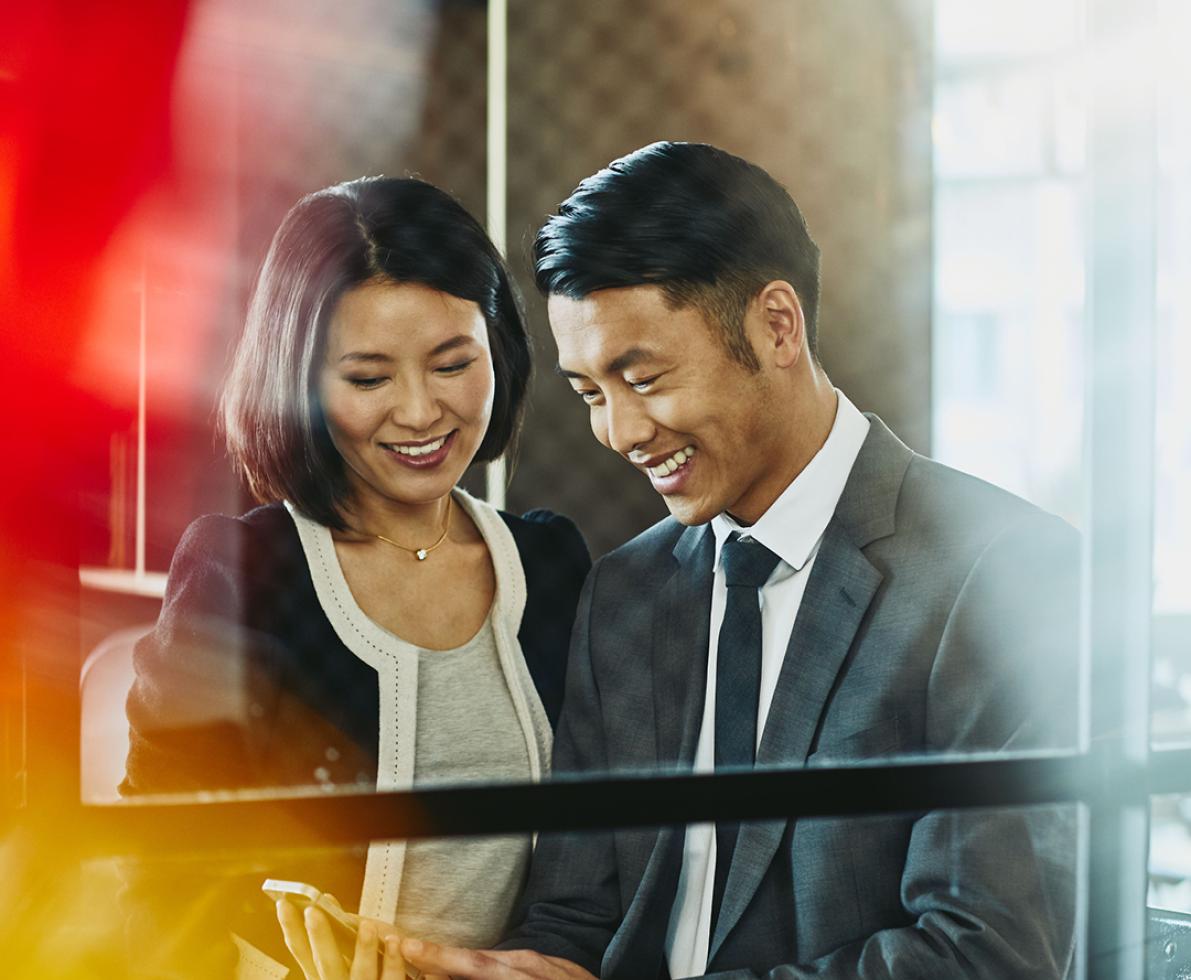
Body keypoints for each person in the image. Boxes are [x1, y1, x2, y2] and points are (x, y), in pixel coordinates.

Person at [391, 142, 1080, 979]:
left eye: (642, 377)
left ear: (775, 325)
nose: (619, 432)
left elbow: (987, 951)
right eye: (589, 394)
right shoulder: (625, 591)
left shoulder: (1001, 572)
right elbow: (577, 913)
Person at [118, 176, 591, 979]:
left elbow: (600, 850)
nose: (418, 412)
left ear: (498, 351)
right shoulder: (245, 574)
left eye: (451, 364)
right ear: (299, 381)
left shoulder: (550, 566)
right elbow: (160, 869)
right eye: (368, 378)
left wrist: (555, 957)